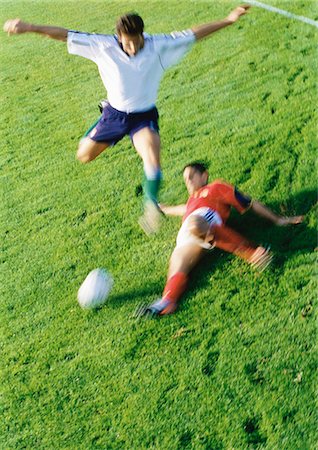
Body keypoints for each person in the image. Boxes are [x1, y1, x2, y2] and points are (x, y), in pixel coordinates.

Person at [3, 6, 250, 233]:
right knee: (84, 156)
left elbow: (195, 33)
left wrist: (229, 20)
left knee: (152, 153)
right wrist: (30, 27)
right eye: (127, 44)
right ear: (118, 37)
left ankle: (151, 204)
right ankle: (102, 113)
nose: (132, 48)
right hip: (115, 115)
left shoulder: (159, 45)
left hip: (143, 117)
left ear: (143, 34)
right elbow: (63, 34)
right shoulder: (102, 46)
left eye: (136, 42)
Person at [135, 161, 303, 317]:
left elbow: (250, 203)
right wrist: (162, 209)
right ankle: (167, 301)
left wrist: (278, 219)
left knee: (194, 223)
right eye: (185, 179)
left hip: (204, 223)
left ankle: (253, 253)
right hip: (187, 236)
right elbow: (184, 209)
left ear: (204, 175)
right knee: (177, 262)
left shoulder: (216, 187)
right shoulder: (192, 200)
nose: (188, 181)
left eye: (191, 176)